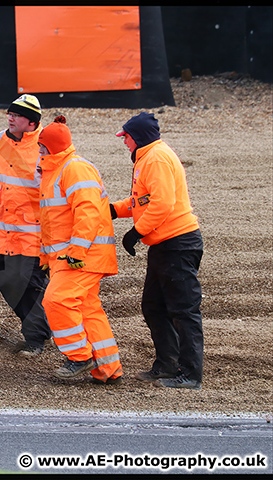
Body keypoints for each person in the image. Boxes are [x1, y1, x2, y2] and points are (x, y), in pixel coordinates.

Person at [112, 112, 204, 390]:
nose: (124, 141)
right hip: (165, 245)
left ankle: (189, 374)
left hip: (177, 243)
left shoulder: (156, 158)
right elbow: (143, 199)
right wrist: (115, 211)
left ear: (137, 137)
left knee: (183, 310)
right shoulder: (148, 157)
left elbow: (162, 204)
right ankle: (167, 364)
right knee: (154, 306)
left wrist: (136, 233)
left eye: (126, 136)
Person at [36, 116, 123, 384]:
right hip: (72, 256)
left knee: (56, 300)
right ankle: (109, 369)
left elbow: (88, 214)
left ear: (51, 147)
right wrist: (45, 255)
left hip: (81, 256)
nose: (38, 152)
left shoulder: (74, 169)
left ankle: (79, 357)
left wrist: (77, 251)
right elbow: (53, 221)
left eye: (41, 147)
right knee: (87, 309)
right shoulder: (56, 170)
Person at [0, 94, 52, 355]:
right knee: (6, 281)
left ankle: (36, 337)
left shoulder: (44, 146)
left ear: (31, 122)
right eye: (10, 113)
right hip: (4, 229)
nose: (10, 118)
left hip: (34, 232)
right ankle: (45, 325)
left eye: (16, 115)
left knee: (30, 284)